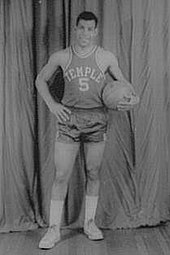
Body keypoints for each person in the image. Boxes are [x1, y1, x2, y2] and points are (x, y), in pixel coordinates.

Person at [36, 11, 136, 249]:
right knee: (61, 175)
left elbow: (126, 86)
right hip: (69, 118)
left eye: (90, 29)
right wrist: (52, 105)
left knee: (93, 172)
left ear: (96, 31)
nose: (85, 34)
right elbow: (40, 80)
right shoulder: (61, 56)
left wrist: (133, 99)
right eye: (81, 28)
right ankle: (53, 229)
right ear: (75, 28)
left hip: (96, 119)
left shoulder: (106, 57)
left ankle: (90, 223)